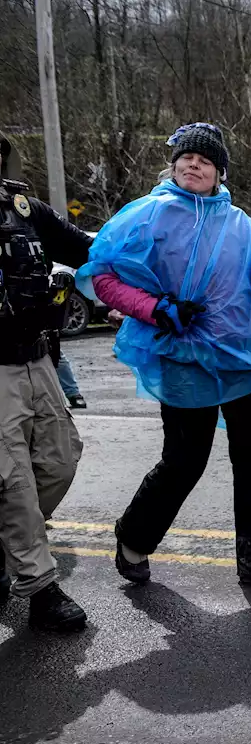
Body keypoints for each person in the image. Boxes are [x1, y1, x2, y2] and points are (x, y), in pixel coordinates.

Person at [81, 122, 251, 592]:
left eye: (204, 160)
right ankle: (133, 539)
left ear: (220, 172)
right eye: (186, 158)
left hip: (245, 364)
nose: (194, 164)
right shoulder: (147, 216)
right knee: (184, 462)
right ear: (174, 165)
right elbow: (103, 278)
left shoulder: (244, 226)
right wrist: (157, 310)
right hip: (183, 360)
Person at [0, 133, 93, 631]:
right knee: (11, 482)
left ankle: (6, 546)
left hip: (38, 358)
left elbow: (86, 247)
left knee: (61, 458)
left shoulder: (24, 209)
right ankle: (39, 587)